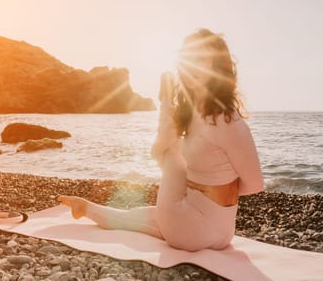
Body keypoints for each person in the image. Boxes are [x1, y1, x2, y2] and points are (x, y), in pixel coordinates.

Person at [58, 28, 263, 251]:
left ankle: (165, 101)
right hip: (218, 232)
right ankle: (85, 207)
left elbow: (255, 184)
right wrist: (208, 191)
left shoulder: (226, 121)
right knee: (137, 218)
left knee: (169, 154)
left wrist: (207, 190)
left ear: (217, 67)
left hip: (198, 228)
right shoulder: (197, 114)